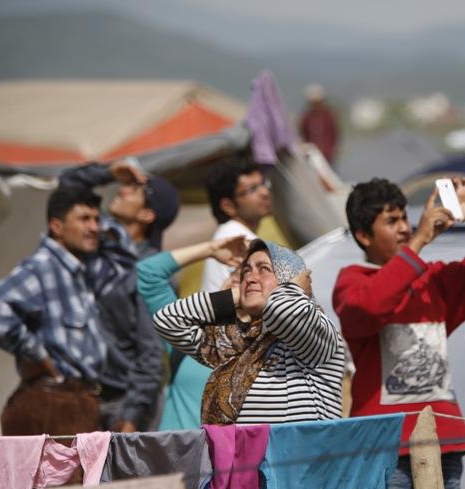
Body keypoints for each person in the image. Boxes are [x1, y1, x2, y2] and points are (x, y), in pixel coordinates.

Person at [333, 177, 465, 489]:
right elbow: (370, 307)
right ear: (363, 236)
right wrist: (421, 240)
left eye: (404, 219)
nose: (404, 228)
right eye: (391, 221)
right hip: (385, 452)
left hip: (445, 444)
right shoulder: (352, 281)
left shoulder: (433, 281)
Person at [0, 186, 135, 435]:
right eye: (84, 219)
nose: (94, 227)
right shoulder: (44, 267)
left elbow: (125, 259)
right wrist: (38, 356)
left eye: (96, 219)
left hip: (78, 402)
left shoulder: (81, 269)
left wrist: (107, 221)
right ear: (57, 227)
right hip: (53, 402)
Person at [154, 240, 345, 424]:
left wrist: (292, 287)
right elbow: (167, 320)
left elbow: (284, 312)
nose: (249, 278)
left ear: (289, 278)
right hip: (245, 457)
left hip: (301, 456)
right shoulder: (236, 343)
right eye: (246, 271)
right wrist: (236, 295)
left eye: (264, 269)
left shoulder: (318, 331)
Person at [58, 159, 181, 432]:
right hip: (82, 399)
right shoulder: (97, 244)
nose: (122, 190)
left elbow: (150, 352)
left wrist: (131, 417)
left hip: (123, 407)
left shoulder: (151, 272)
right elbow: (66, 187)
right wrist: (108, 172)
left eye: (134, 189)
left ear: (147, 216)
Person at [137, 236, 247, 430]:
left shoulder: (265, 348)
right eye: (233, 275)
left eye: (245, 281)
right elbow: (147, 274)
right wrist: (210, 249)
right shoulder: (191, 334)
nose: (234, 282)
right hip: (171, 455)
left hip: (226, 458)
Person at [202, 161, 272, 292]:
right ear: (228, 206)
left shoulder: (229, 234)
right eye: (252, 189)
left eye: (263, 183)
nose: (265, 192)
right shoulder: (236, 241)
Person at [299, 84, 339, 164]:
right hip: (312, 154)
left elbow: (334, 133)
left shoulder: (329, 115)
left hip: (327, 153)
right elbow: (304, 134)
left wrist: (333, 149)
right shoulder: (307, 117)